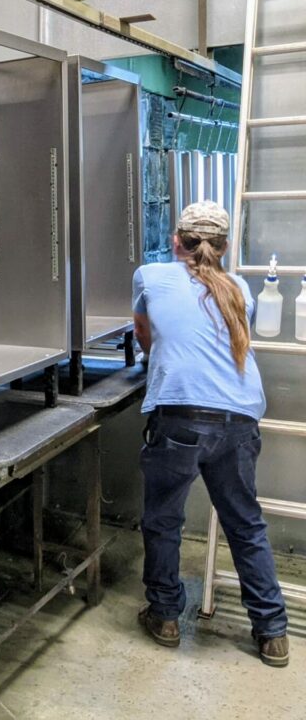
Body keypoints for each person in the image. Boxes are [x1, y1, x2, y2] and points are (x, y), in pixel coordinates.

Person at [131, 200, 288, 667]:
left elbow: (144, 333)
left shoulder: (151, 276)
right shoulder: (240, 287)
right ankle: (273, 632)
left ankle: (165, 617)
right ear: (224, 246)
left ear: (175, 241)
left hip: (180, 414)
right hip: (239, 419)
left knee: (164, 519)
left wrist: (159, 360)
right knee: (245, 523)